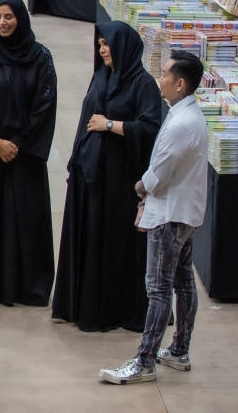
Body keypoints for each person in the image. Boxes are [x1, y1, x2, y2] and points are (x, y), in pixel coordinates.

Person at [101, 50, 208, 384]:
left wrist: (140, 188)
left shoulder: (181, 124)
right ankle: (179, 350)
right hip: (185, 213)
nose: (159, 79)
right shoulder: (189, 116)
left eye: (164, 74)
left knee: (159, 290)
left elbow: (159, 172)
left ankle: (144, 361)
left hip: (170, 217)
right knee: (183, 282)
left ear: (180, 83)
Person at [53, 21, 164, 332]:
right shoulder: (101, 76)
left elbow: (151, 128)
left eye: (108, 44)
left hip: (119, 179)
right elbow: (85, 121)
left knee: (113, 241)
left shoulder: (142, 84)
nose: (102, 50)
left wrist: (111, 125)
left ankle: (112, 308)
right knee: (91, 236)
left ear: (124, 47)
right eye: (100, 44)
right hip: (90, 175)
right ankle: (84, 304)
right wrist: (75, 162)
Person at [0, 0, 57, 306]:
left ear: (21, 18)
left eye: (9, 17)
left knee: (26, 219)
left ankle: (28, 287)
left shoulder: (40, 56)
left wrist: (16, 142)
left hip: (25, 153)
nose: (2, 23)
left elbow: (44, 103)